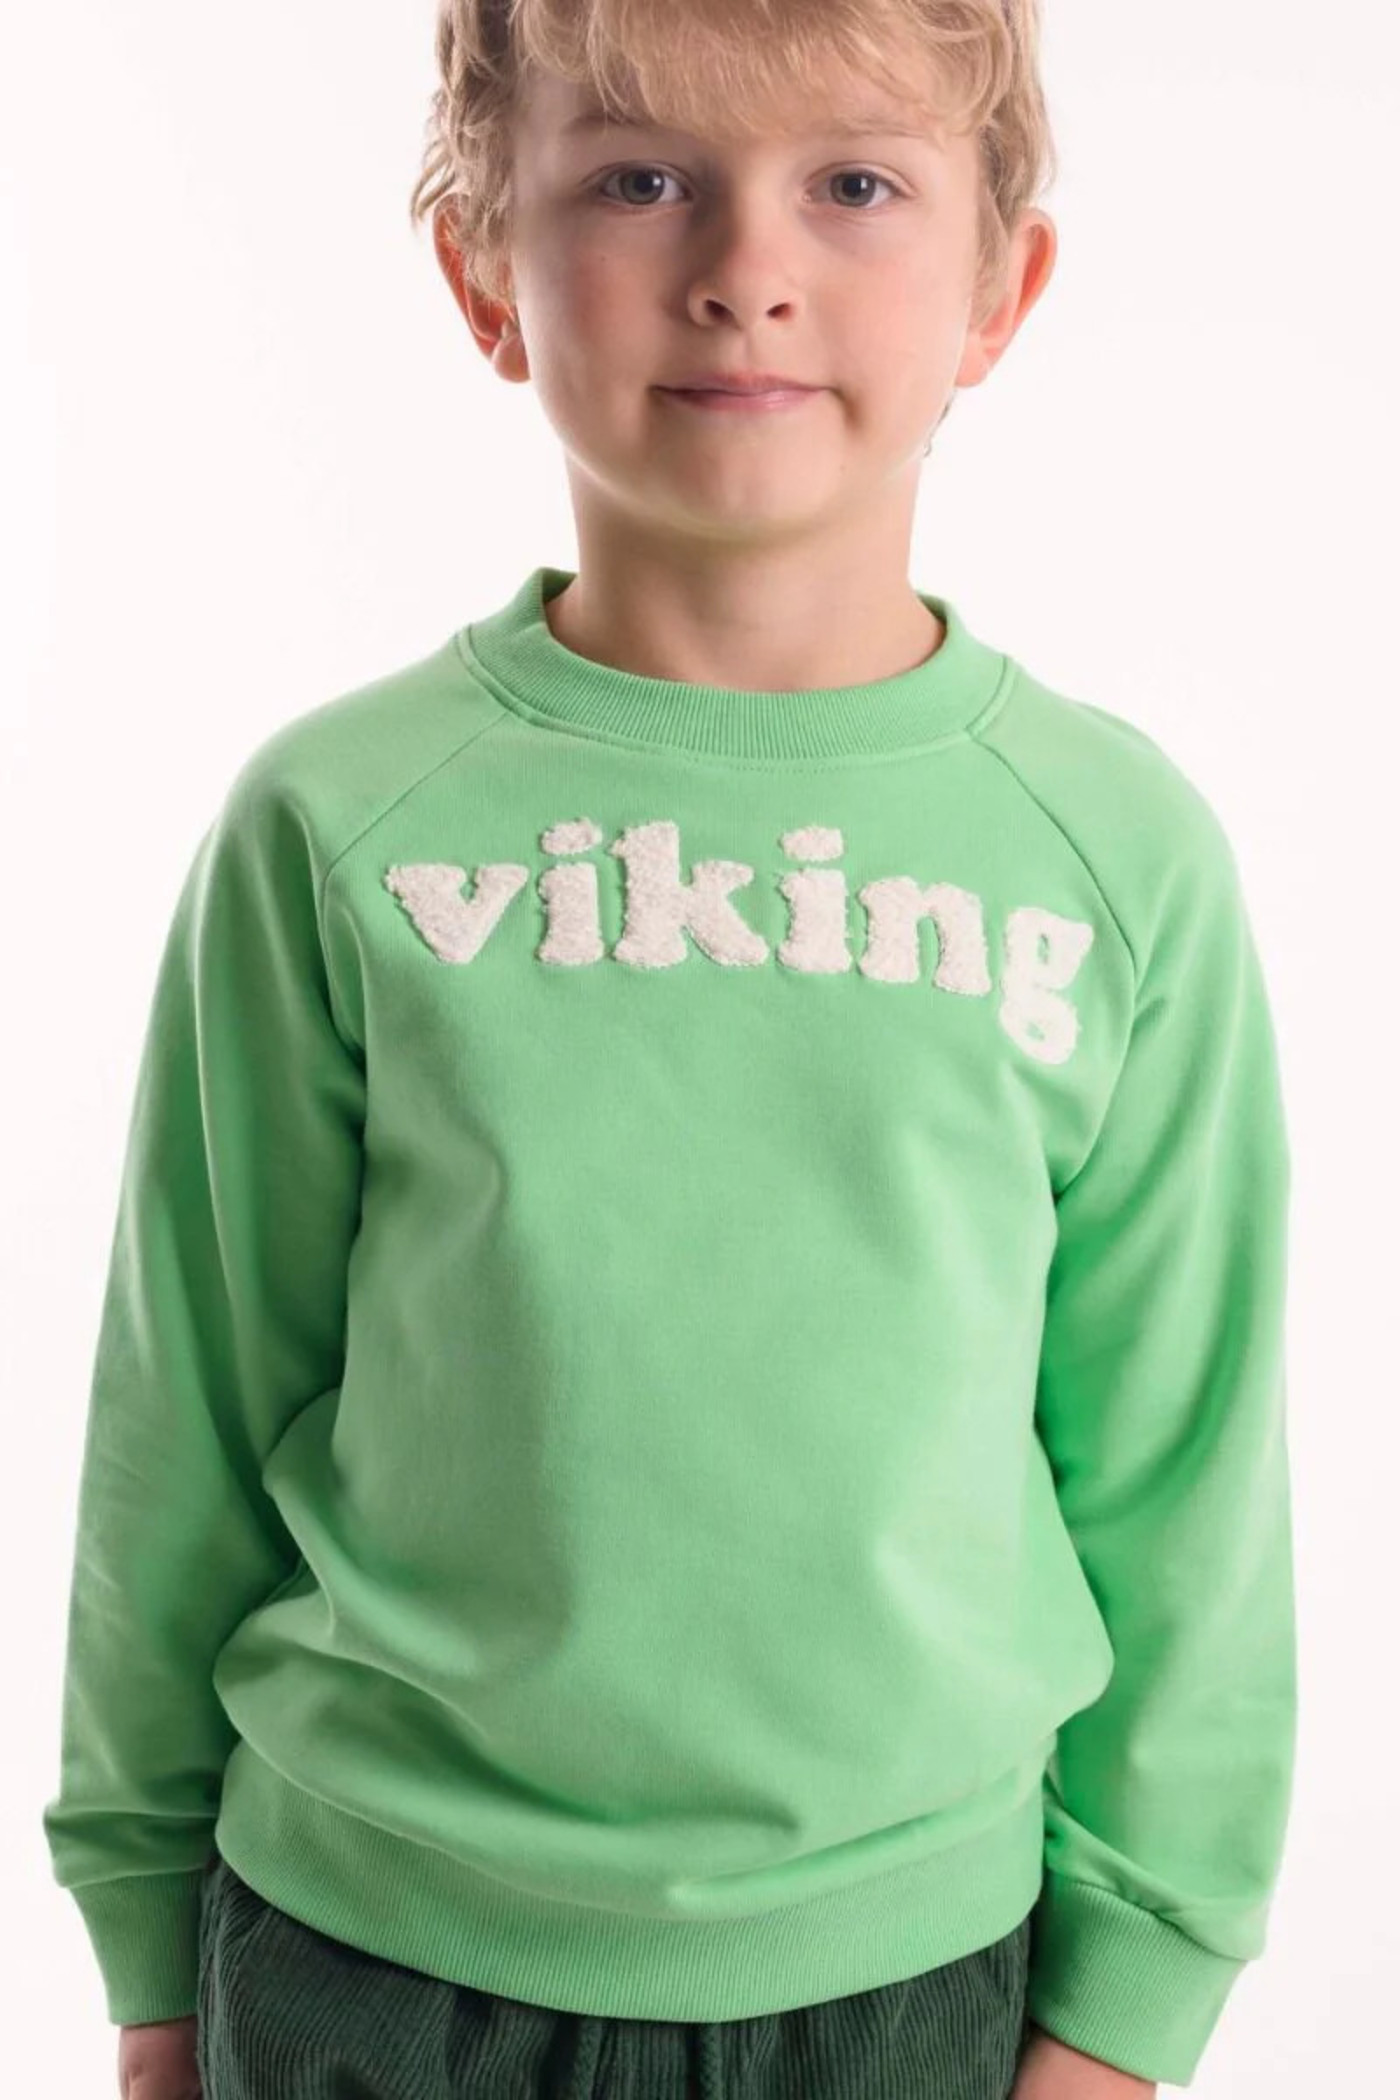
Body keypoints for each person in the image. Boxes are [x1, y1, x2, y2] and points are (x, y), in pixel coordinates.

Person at [42, 3, 1296, 2097]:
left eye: (855, 183)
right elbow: (185, 1414)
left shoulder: (1110, 856)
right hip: (363, 1962)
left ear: (1001, 289)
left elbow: (1182, 1478)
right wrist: (142, 1947)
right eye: (641, 178)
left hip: (908, 1980)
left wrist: (1133, 1999)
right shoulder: (340, 828)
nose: (745, 267)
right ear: (482, 270)